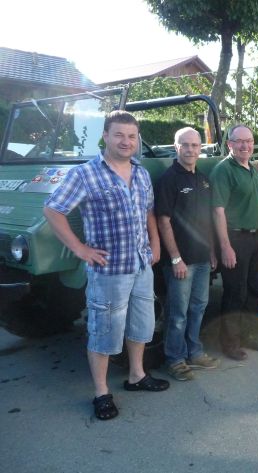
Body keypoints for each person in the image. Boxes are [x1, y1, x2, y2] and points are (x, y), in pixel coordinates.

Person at [43, 111, 169, 421]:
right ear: (105, 136)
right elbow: (53, 210)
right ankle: (101, 392)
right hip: (109, 270)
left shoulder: (140, 173)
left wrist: (155, 243)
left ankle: (137, 375)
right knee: (104, 332)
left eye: (131, 136)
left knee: (142, 325)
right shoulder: (85, 174)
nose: (126, 142)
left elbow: (149, 212)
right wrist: (80, 249)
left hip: (141, 265)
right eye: (119, 135)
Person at [155, 127, 219, 381]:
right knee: (178, 313)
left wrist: (212, 250)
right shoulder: (169, 180)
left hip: (202, 258)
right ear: (176, 146)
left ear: (201, 147)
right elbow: (163, 221)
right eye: (186, 145)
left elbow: (207, 220)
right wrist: (175, 258)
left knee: (198, 307)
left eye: (195, 145)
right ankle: (175, 358)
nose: (191, 150)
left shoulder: (202, 179)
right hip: (181, 261)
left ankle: (194, 352)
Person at [211, 124, 258, 361]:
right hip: (236, 238)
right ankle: (230, 342)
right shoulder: (223, 170)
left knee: (254, 289)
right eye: (240, 141)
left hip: (257, 237)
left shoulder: (251, 168)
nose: (245, 145)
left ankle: (247, 335)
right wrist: (225, 246)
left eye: (249, 141)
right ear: (230, 144)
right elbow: (217, 211)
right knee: (235, 292)